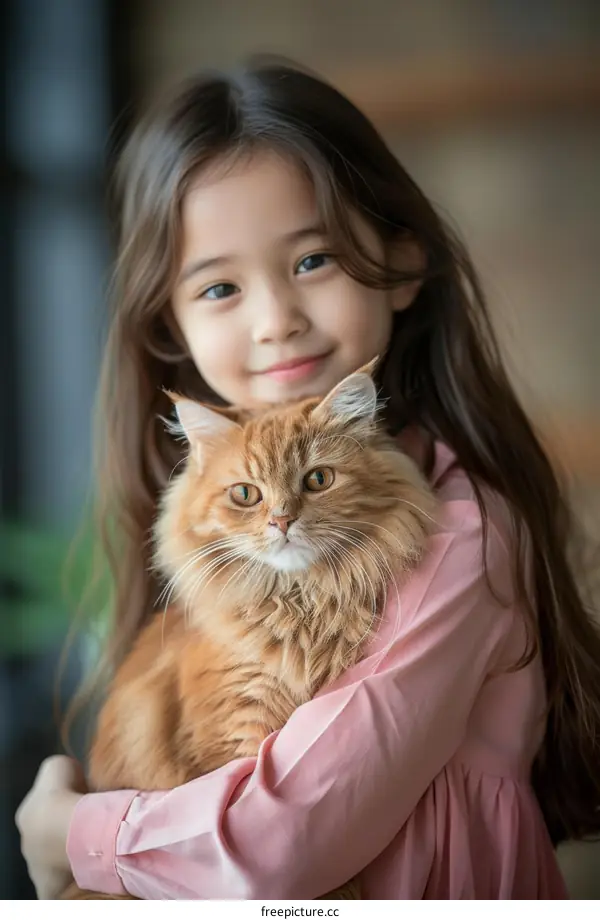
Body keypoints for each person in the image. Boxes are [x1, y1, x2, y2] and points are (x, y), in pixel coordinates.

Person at [16, 58, 600, 900]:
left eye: (312, 261)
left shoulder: (455, 539)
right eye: (220, 286)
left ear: (401, 261)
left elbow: (275, 848)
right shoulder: (221, 543)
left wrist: (69, 833)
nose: (275, 322)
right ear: (170, 325)